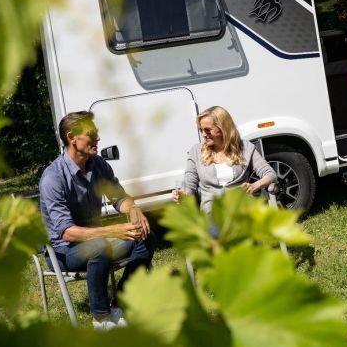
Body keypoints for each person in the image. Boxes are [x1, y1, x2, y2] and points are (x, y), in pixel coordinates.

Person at [39, 111, 155, 330]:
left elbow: (119, 197)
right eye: (91, 134)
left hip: (96, 242)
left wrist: (134, 209)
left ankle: (119, 304)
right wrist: (114, 230)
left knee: (146, 237)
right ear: (72, 137)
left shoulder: (98, 164)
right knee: (99, 247)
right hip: (63, 252)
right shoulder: (53, 178)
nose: (98, 138)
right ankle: (100, 319)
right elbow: (67, 232)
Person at [172, 106, 277, 237]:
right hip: (212, 212)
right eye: (201, 130)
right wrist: (183, 193)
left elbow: (270, 174)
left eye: (208, 130)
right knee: (218, 232)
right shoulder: (196, 151)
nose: (204, 134)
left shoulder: (245, 148)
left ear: (223, 128)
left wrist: (255, 185)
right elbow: (190, 181)